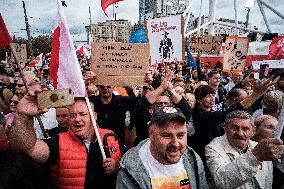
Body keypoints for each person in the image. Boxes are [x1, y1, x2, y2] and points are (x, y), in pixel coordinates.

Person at [9, 85, 126, 189]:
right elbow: (28, 149)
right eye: (72, 115)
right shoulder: (59, 141)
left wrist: (117, 166)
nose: (77, 119)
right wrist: (23, 115)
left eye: (82, 114)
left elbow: (130, 163)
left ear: (94, 116)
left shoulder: (110, 136)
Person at [116, 106, 208, 189]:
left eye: (180, 135)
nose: (175, 144)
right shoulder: (130, 170)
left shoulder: (193, 159)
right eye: (167, 135)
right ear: (151, 133)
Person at [205, 110, 284, 189]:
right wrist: (255, 156)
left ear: (253, 131)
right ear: (225, 128)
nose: (240, 133)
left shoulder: (260, 147)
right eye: (234, 128)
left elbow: (267, 182)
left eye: (245, 129)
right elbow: (222, 182)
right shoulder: (213, 147)